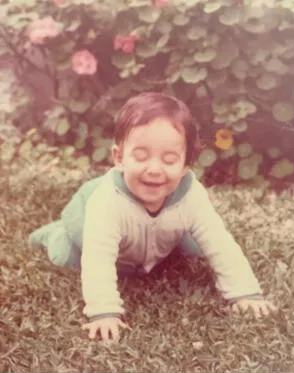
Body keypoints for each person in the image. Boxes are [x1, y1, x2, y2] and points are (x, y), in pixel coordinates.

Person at [28, 92, 277, 342]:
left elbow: (220, 244)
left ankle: (162, 242)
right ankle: (54, 232)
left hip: (156, 235)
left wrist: (245, 294)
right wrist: (104, 312)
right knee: (66, 254)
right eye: (141, 156)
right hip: (90, 228)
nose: (154, 169)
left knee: (194, 246)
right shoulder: (105, 202)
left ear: (185, 165)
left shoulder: (191, 195)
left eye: (169, 159)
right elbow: (98, 259)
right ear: (119, 158)